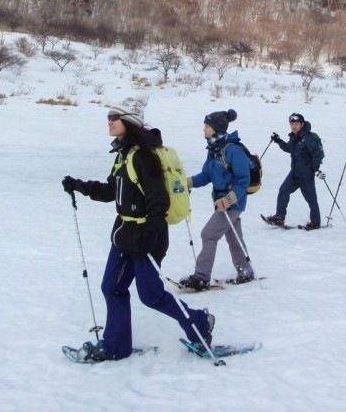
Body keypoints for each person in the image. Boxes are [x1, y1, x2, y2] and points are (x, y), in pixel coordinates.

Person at [61, 105, 214, 360]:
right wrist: (79, 185)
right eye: (108, 118)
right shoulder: (123, 155)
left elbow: (159, 200)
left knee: (151, 295)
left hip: (146, 237)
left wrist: (150, 234)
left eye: (115, 118)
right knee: (112, 287)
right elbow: (112, 192)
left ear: (129, 122)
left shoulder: (142, 156)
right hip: (124, 234)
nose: (109, 122)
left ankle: (199, 322)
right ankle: (115, 347)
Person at [180, 108, 255, 290]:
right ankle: (245, 271)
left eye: (207, 127)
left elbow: (244, 180)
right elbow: (207, 175)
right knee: (234, 237)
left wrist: (229, 200)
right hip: (221, 202)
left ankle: (201, 277)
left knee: (208, 234)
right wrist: (188, 182)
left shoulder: (233, 150)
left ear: (217, 128)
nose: (204, 130)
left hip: (232, 203)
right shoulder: (214, 149)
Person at [264, 113, 325, 230]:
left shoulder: (309, 138)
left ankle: (315, 222)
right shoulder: (294, 137)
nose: (294, 126)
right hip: (294, 173)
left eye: (297, 124)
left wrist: (315, 169)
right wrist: (278, 141)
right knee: (283, 190)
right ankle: (279, 217)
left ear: (302, 124)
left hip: (306, 174)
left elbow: (317, 154)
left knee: (311, 199)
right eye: (292, 124)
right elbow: (289, 148)